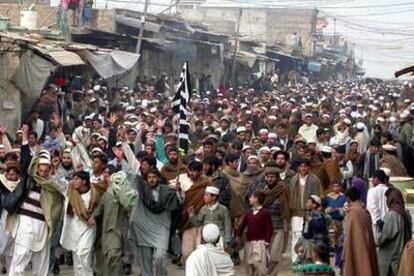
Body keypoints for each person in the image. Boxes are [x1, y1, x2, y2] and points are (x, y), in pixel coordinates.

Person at [130, 169, 184, 276]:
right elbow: (131, 174)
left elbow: (180, 200)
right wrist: (122, 159)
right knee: (145, 261)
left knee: (160, 256)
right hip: (144, 228)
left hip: (161, 228)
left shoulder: (167, 190)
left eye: (154, 177)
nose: (151, 180)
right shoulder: (143, 190)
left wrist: (179, 190)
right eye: (149, 177)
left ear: (158, 178)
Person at [289, 158, 323, 262]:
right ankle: (296, 260)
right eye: (301, 166)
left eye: (305, 166)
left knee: (308, 236)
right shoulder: (294, 180)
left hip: (310, 213)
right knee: (296, 235)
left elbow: (319, 196)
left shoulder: (315, 179)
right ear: (298, 168)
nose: (303, 168)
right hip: (296, 212)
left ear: (308, 167)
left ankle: (308, 258)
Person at [235, 191, 273, 276]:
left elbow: (269, 228)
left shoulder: (265, 213)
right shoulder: (248, 213)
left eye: (251, 197)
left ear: (256, 199)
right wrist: (238, 235)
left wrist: (267, 241)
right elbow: (242, 225)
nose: (249, 199)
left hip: (260, 243)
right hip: (249, 243)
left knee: (259, 266)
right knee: (248, 264)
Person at [343, 187, 379, 276]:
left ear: (348, 198)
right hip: (366, 246)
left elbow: (350, 236)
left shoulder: (353, 214)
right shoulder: (364, 211)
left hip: (357, 248)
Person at [377, 188, 412, 276]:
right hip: (402, 254)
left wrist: (378, 238)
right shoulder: (406, 213)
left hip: (391, 256)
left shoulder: (393, 214)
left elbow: (385, 236)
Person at [366, 169, 389, 241]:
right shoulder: (389, 190)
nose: (372, 181)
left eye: (372, 178)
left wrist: (377, 221)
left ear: (376, 179)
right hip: (388, 222)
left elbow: (371, 208)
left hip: (377, 225)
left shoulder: (372, 191)